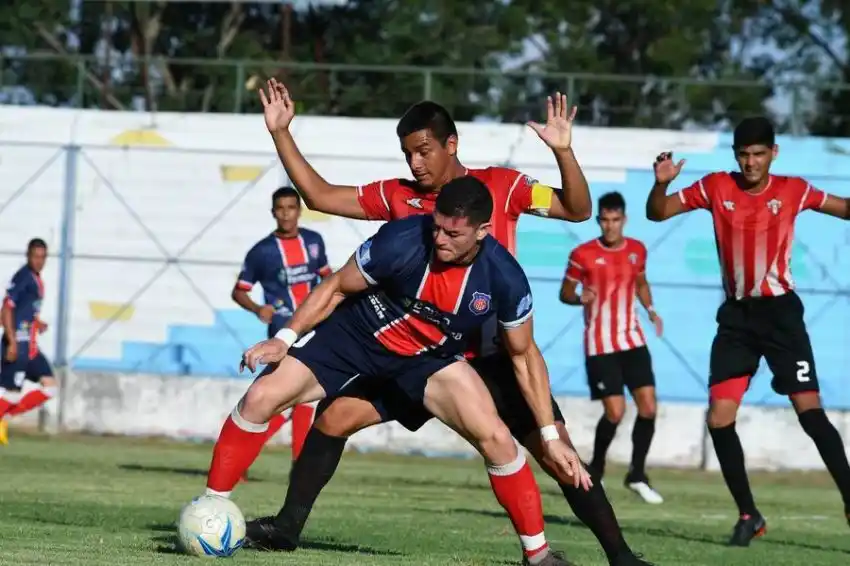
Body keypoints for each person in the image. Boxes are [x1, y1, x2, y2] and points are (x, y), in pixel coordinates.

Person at [250, 79, 653, 566]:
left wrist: (563, 152)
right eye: (408, 154)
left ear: (451, 144)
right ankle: (286, 529)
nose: (415, 163)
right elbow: (317, 195)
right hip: (421, 354)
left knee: (556, 452)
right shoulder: (398, 196)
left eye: (423, 151)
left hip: (492, 354)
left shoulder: (502, 187)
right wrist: (281, 133)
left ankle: (621, 557)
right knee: (333, 417)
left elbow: (577, 208)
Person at [204, 177, 591, 566]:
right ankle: (210, 511)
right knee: (261, 396)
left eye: (453, 234)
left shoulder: (504, 277)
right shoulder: (403, 238)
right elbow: (336, 287)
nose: (440, 239)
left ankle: (539, 556)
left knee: (498, 439)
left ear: (482, 231)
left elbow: (524, 356)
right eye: (437, 227)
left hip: (426, 359)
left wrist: (549, 436)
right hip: (354, 335)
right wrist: (284, 339)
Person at [646, 116, 850, 545]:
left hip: (781, 317)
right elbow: (657, 213)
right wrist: (660, 185)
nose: (751, 162)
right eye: (744, 154)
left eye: (759, 154)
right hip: (737, 319)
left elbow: (845, 208)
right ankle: (749, 515)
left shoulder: (794, 190)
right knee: (719, 418)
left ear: (774, 153)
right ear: (735, 156)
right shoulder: (716, 186)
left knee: (810, 413)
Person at [560, 192, 663, 504]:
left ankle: (637, 474)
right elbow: (565, 292)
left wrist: (651, 309)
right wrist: (579, 298)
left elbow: (641, 283)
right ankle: (597, 468)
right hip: (600, 345)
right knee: (615, 412)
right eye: (605, 220)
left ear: (624, 220)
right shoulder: (583, 254)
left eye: (615, 220)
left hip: (633, 340)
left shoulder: (636, 250)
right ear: (598, 221)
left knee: (648, 408)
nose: (610, 226)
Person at [232, 186, 331, 464]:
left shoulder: (314, 241)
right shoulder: (262, 251)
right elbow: (239, 291)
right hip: (281, 331)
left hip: (312, 326)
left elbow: (328, 279)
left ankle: (244, 456)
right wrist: (257, 308)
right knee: (294, 397)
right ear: (273, 213)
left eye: (291, 208)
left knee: (297, 399)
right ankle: (292, 463)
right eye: (280, 209)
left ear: (299, 211)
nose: (286, 214)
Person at [0, 239, 56, 445]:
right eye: (35, 257)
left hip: (30, 347)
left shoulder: (35, 279)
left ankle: (4, 417)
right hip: (18, 345)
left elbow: (23, 310)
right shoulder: (23, 277)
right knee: (12, 394)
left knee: (50, 387)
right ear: (28, 256)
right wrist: (12, 342)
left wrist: (36, 323)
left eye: (42, 257)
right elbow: (6, 309)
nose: (39, 261)